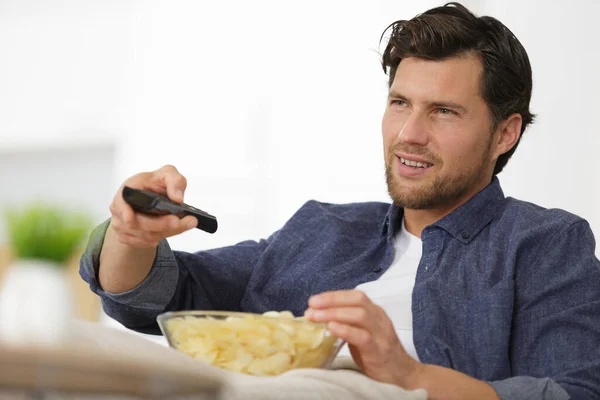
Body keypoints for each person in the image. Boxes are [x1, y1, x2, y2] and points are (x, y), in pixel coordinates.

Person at [80, 3, 600, 399]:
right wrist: (131, 236)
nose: (410, 134)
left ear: (505, 133)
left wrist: (410, 375)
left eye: (443, 111)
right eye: (400, 103)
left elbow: (573, 392)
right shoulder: (322, 229)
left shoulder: (544, 244)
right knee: (86, 356)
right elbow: (158, 300)